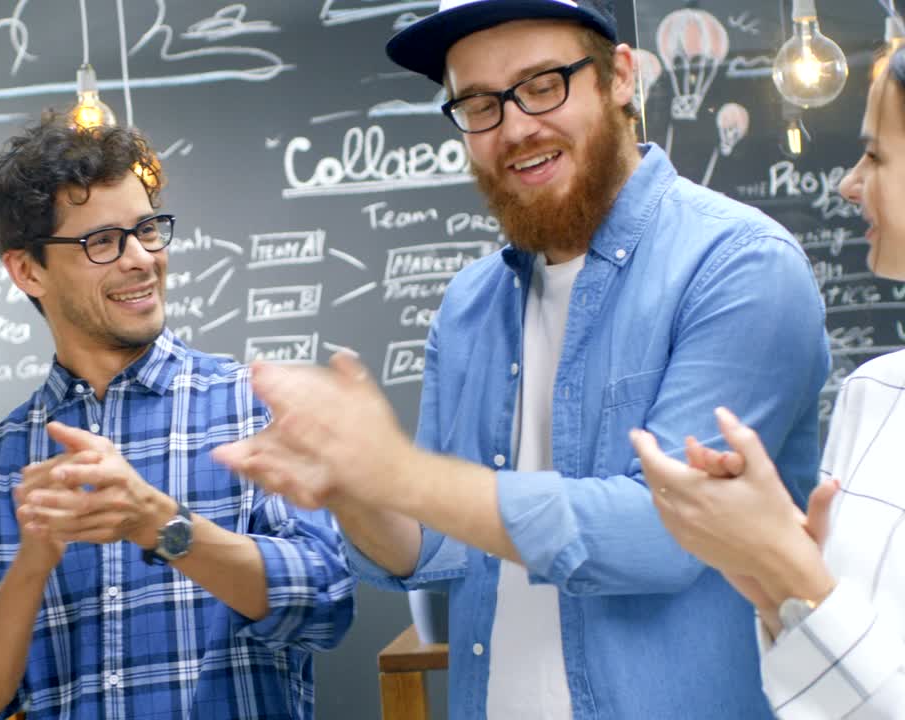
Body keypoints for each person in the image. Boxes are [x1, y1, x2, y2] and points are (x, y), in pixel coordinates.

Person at [213, 0, 832, 717]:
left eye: (543, 85)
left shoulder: (739, 266)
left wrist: (401, 473)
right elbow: (437, 545)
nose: (514, 128)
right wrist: (353, 485)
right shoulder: (470, 303)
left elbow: (666, 536)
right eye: (477, 103)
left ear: (620, 77)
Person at [0, 116, 354, 720]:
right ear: (27, 270)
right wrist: (30, 567)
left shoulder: (253, 407)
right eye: (102, 241)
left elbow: (326, 601)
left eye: (147, 230)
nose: (141, 260)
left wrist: (162, 525)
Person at [631, 46, 905, 718]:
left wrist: (791, 572)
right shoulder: (873, 394)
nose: (848, 183)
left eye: (875, 156)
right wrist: (769, 577)